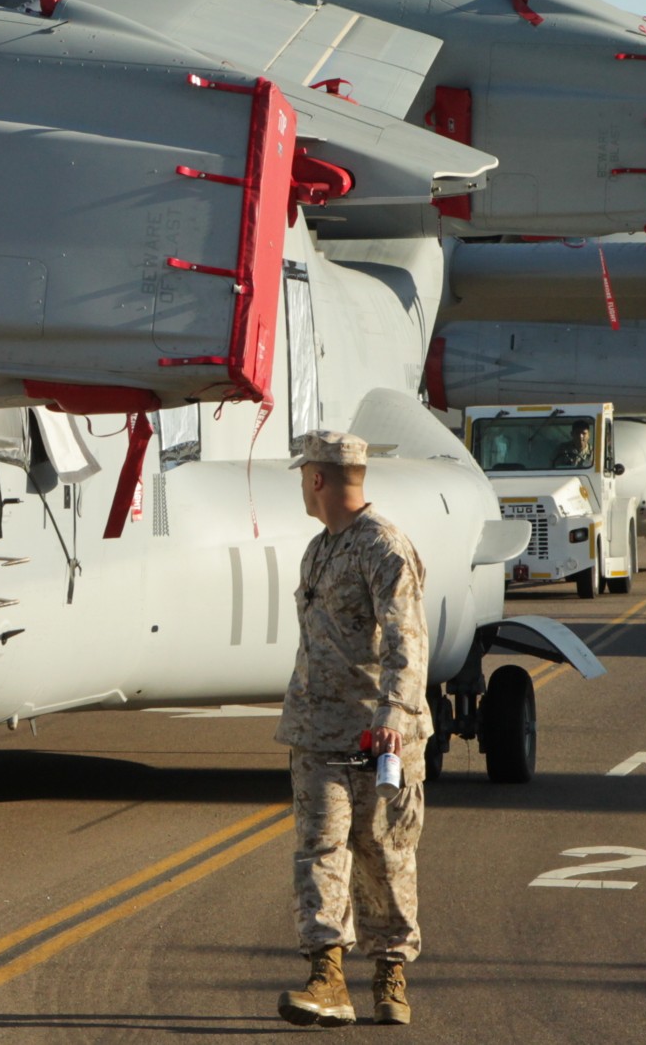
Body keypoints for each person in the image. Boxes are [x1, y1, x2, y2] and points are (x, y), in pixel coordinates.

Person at [274, 431, 429, 1028]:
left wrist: (394, 714)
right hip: (317, 734)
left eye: (302, 474)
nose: (301, 485)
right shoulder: (319, 548)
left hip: (374, 737)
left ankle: (390, 972)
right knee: (319, 850)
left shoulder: (383, 547)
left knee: (384, 852)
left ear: (317, 478)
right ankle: (327, 977)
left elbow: (406, 639)